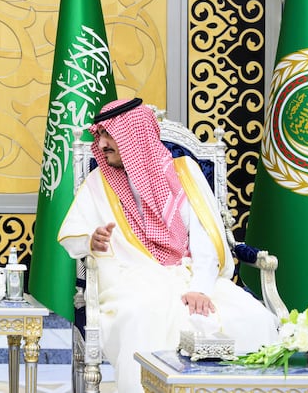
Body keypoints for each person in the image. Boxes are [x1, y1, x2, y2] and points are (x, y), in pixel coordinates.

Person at [57, 98, 278, 393]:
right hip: (130, 280)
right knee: (142, 317)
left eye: (110, 134)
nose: (103, 143)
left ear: (134, 137)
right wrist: (90, 240)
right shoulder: (100, 182)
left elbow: (204, 238)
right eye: (101, 136)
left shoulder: (184, 173)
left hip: (188, 274)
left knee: (253, 318)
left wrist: (200, 287)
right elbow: (73, 233)